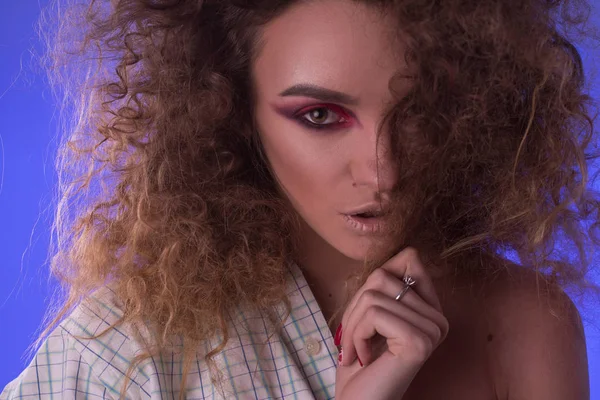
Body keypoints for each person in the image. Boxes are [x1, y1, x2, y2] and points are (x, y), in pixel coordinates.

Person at [2, 0, 598, 398]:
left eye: (416, 114)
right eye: (320, 115)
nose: (382, 168)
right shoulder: (129, 348)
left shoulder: (523, 325)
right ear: (231, 110)